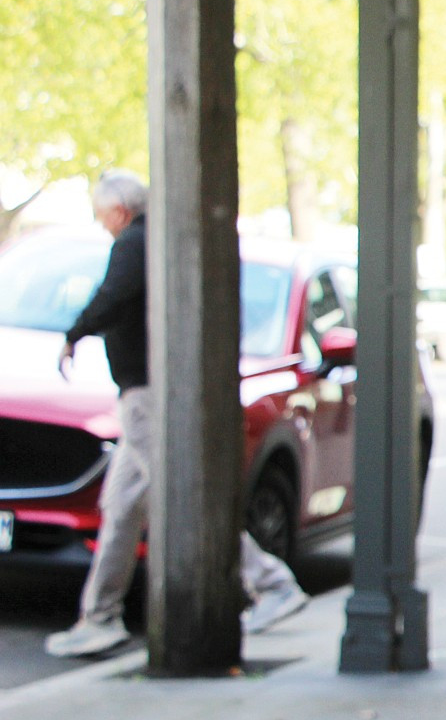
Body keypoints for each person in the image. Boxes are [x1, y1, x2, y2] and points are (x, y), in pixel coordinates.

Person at [45, 171, 311, 659]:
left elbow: (114, 296)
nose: (101, 224)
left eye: (101, 214)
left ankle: (271, 583)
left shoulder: (132, 245)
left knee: (178, 493)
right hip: (145, 393)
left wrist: (75, 332)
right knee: (121, 506)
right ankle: (99, 616)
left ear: (118, 211)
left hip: (145, 395)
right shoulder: (157, 240)